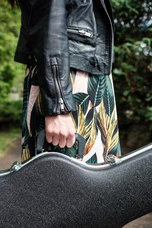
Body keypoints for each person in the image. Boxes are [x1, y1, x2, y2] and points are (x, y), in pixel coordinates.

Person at [8, 0, 121, 164]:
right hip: (66, 77)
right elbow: (48, 14)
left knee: (99, 178)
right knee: (59, 180)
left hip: (85, 71)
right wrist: (57, 105)